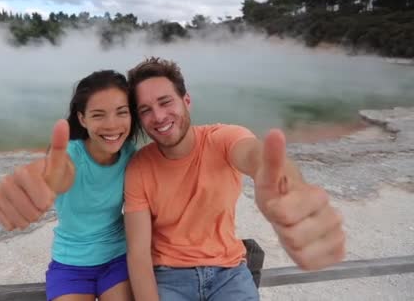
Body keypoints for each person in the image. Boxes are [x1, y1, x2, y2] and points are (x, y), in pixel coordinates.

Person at [123, 57, 346, 301]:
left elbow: (254, 155)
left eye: (166, 102)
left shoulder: (223, 138)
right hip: (169, 276)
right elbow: (139, 254)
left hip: (227, 272)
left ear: (187, 101)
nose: (158, 116)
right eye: (145, 110)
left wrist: (288, 187)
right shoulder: (140, 167)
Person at [0, 70, 139, 301]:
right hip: (71, 263)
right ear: (82, 119)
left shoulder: (131, 155)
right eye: (98, 115)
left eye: (121, 112)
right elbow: (58, 173)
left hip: (117, 257)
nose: (112, 125)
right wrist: (43, 179)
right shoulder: (70, 155)